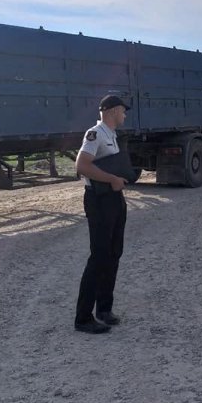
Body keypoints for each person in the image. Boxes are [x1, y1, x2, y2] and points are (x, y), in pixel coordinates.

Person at [73, 95, 131, 334]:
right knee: (99, 256)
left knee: (114, 252)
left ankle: (104, 309)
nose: (125, 115)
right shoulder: (95, 133)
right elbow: (82, 166)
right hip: (99, 200)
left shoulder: (112, 135)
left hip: (113, 198)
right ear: (113, 110)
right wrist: (112, 179)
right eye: (123, 111)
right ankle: (83, 318)